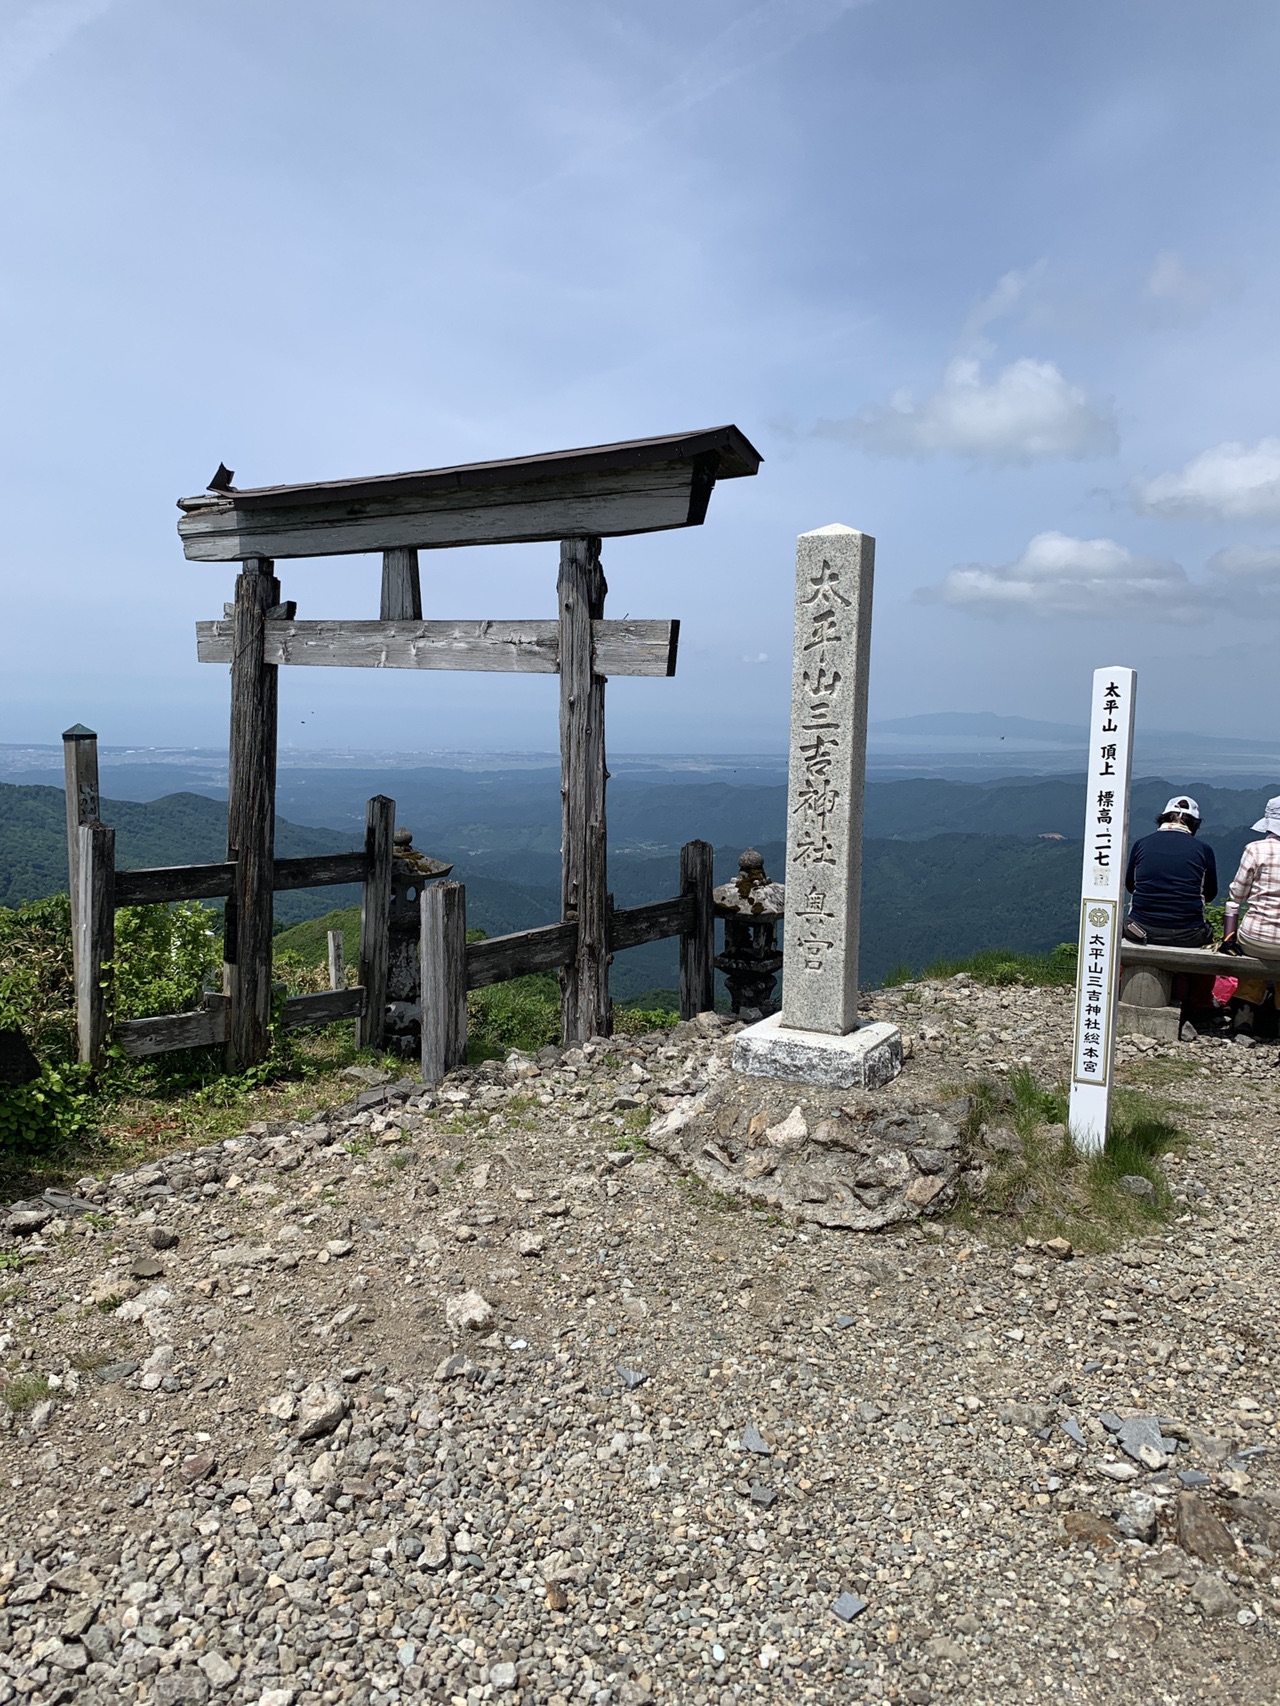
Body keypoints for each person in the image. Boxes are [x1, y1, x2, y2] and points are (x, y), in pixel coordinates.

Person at [1123, 794, 1218, 947]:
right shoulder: (1203, 849)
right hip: (1189, 934)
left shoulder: (1141, 845)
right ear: (1194, 825)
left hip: (1139, 929)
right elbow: (1210, 894)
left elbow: (1130, 886)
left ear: (1163, 819)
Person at [1222, 795, 1280, 1038]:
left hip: (1255, 937)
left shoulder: (1255, 850)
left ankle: (1244, 1012)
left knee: (1252, 952)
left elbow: (1237, 895)